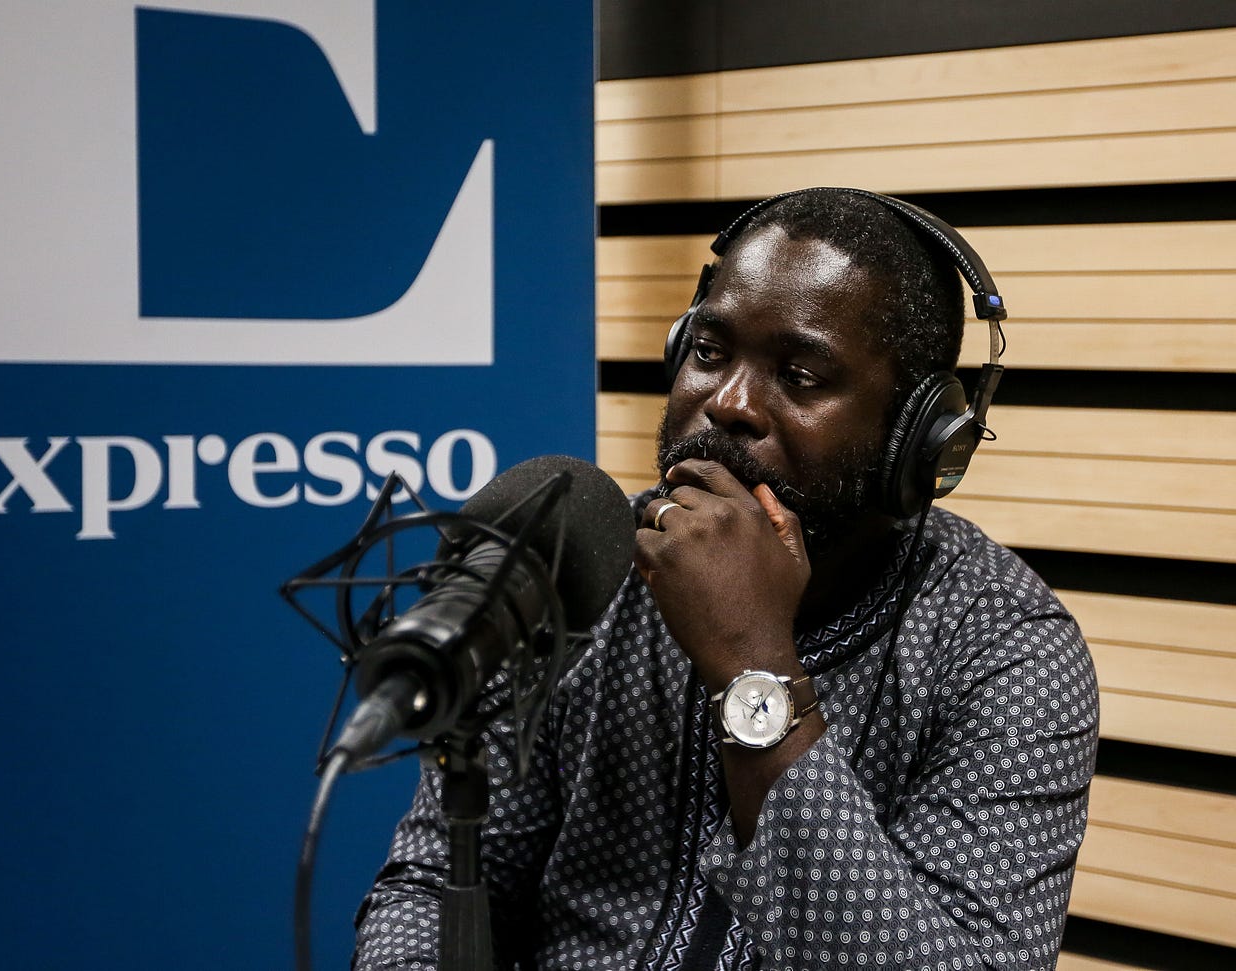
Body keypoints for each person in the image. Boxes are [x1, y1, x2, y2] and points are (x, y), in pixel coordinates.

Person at [353, 188, 1099, 970]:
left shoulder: (1007, 650)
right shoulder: (578, 562)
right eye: (709, 353)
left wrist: (753, 665)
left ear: (916, 438)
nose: (729, 403)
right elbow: (436, 884)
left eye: (800, 375)